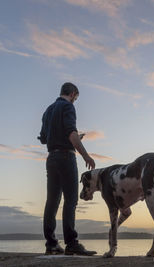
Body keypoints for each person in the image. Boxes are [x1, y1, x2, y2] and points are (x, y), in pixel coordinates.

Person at [38, 82, 97, 256]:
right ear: (72, 94)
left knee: (52, 201)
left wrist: (63, 135)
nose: (75, 101)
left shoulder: (48, 110)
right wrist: (86, 155)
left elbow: (43, 138)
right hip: (65, 156)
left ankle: (51, 244)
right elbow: (71, 134)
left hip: (52, 158)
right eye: (76, 98)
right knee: (71, 200)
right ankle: (71, 243)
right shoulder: (68, 107)